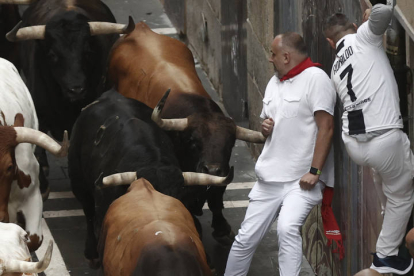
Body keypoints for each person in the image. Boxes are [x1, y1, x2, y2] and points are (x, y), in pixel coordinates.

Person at [224, 32, 336, 276]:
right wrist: (265, 127)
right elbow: (269, 121)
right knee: (245, 238)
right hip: (269, 177)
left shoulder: (316, 79)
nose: (269, 59)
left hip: (301, 181)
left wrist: (314, 171)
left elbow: (326, 127)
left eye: (273, 54)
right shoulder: (274, 82)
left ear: (286, 56)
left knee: (287, 229)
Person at [323, 4, 414, 275]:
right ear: (353, 25)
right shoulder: (363, 36)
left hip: (356, 144)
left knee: (387, 186)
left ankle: (392, 238)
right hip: (383, 136)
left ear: (330, 42)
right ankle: (386, 257)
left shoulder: (335, 69)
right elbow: (386, 11)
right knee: (402, 196)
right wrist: (372, 12)